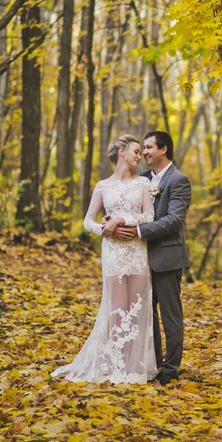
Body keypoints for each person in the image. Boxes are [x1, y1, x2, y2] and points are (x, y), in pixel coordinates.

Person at [51, 134, 158, 384]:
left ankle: (133, 368)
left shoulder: (143, 184)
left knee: (137, 308)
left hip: (137, 250)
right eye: (135, 150)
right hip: (113, 252)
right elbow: (87, 220)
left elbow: (149, 217)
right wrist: (105, 229)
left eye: (141, 152)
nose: (139, 155)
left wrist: (123, 220)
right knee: (117, 310)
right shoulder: (103, 186)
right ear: (121, 152)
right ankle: (115, 364)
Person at [112, 131, 191, 386]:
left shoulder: (178, 180)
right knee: (146, 314)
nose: (144, 152)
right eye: (142, 148)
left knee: (170, 315)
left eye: (148, 147)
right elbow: (127, 206)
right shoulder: (143, 178)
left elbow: (174, 220)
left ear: (163, 149)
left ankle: (171, 367)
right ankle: (154, 362)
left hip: (166, 258)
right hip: (139, 259)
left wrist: (137, 231)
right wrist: (111, 219)